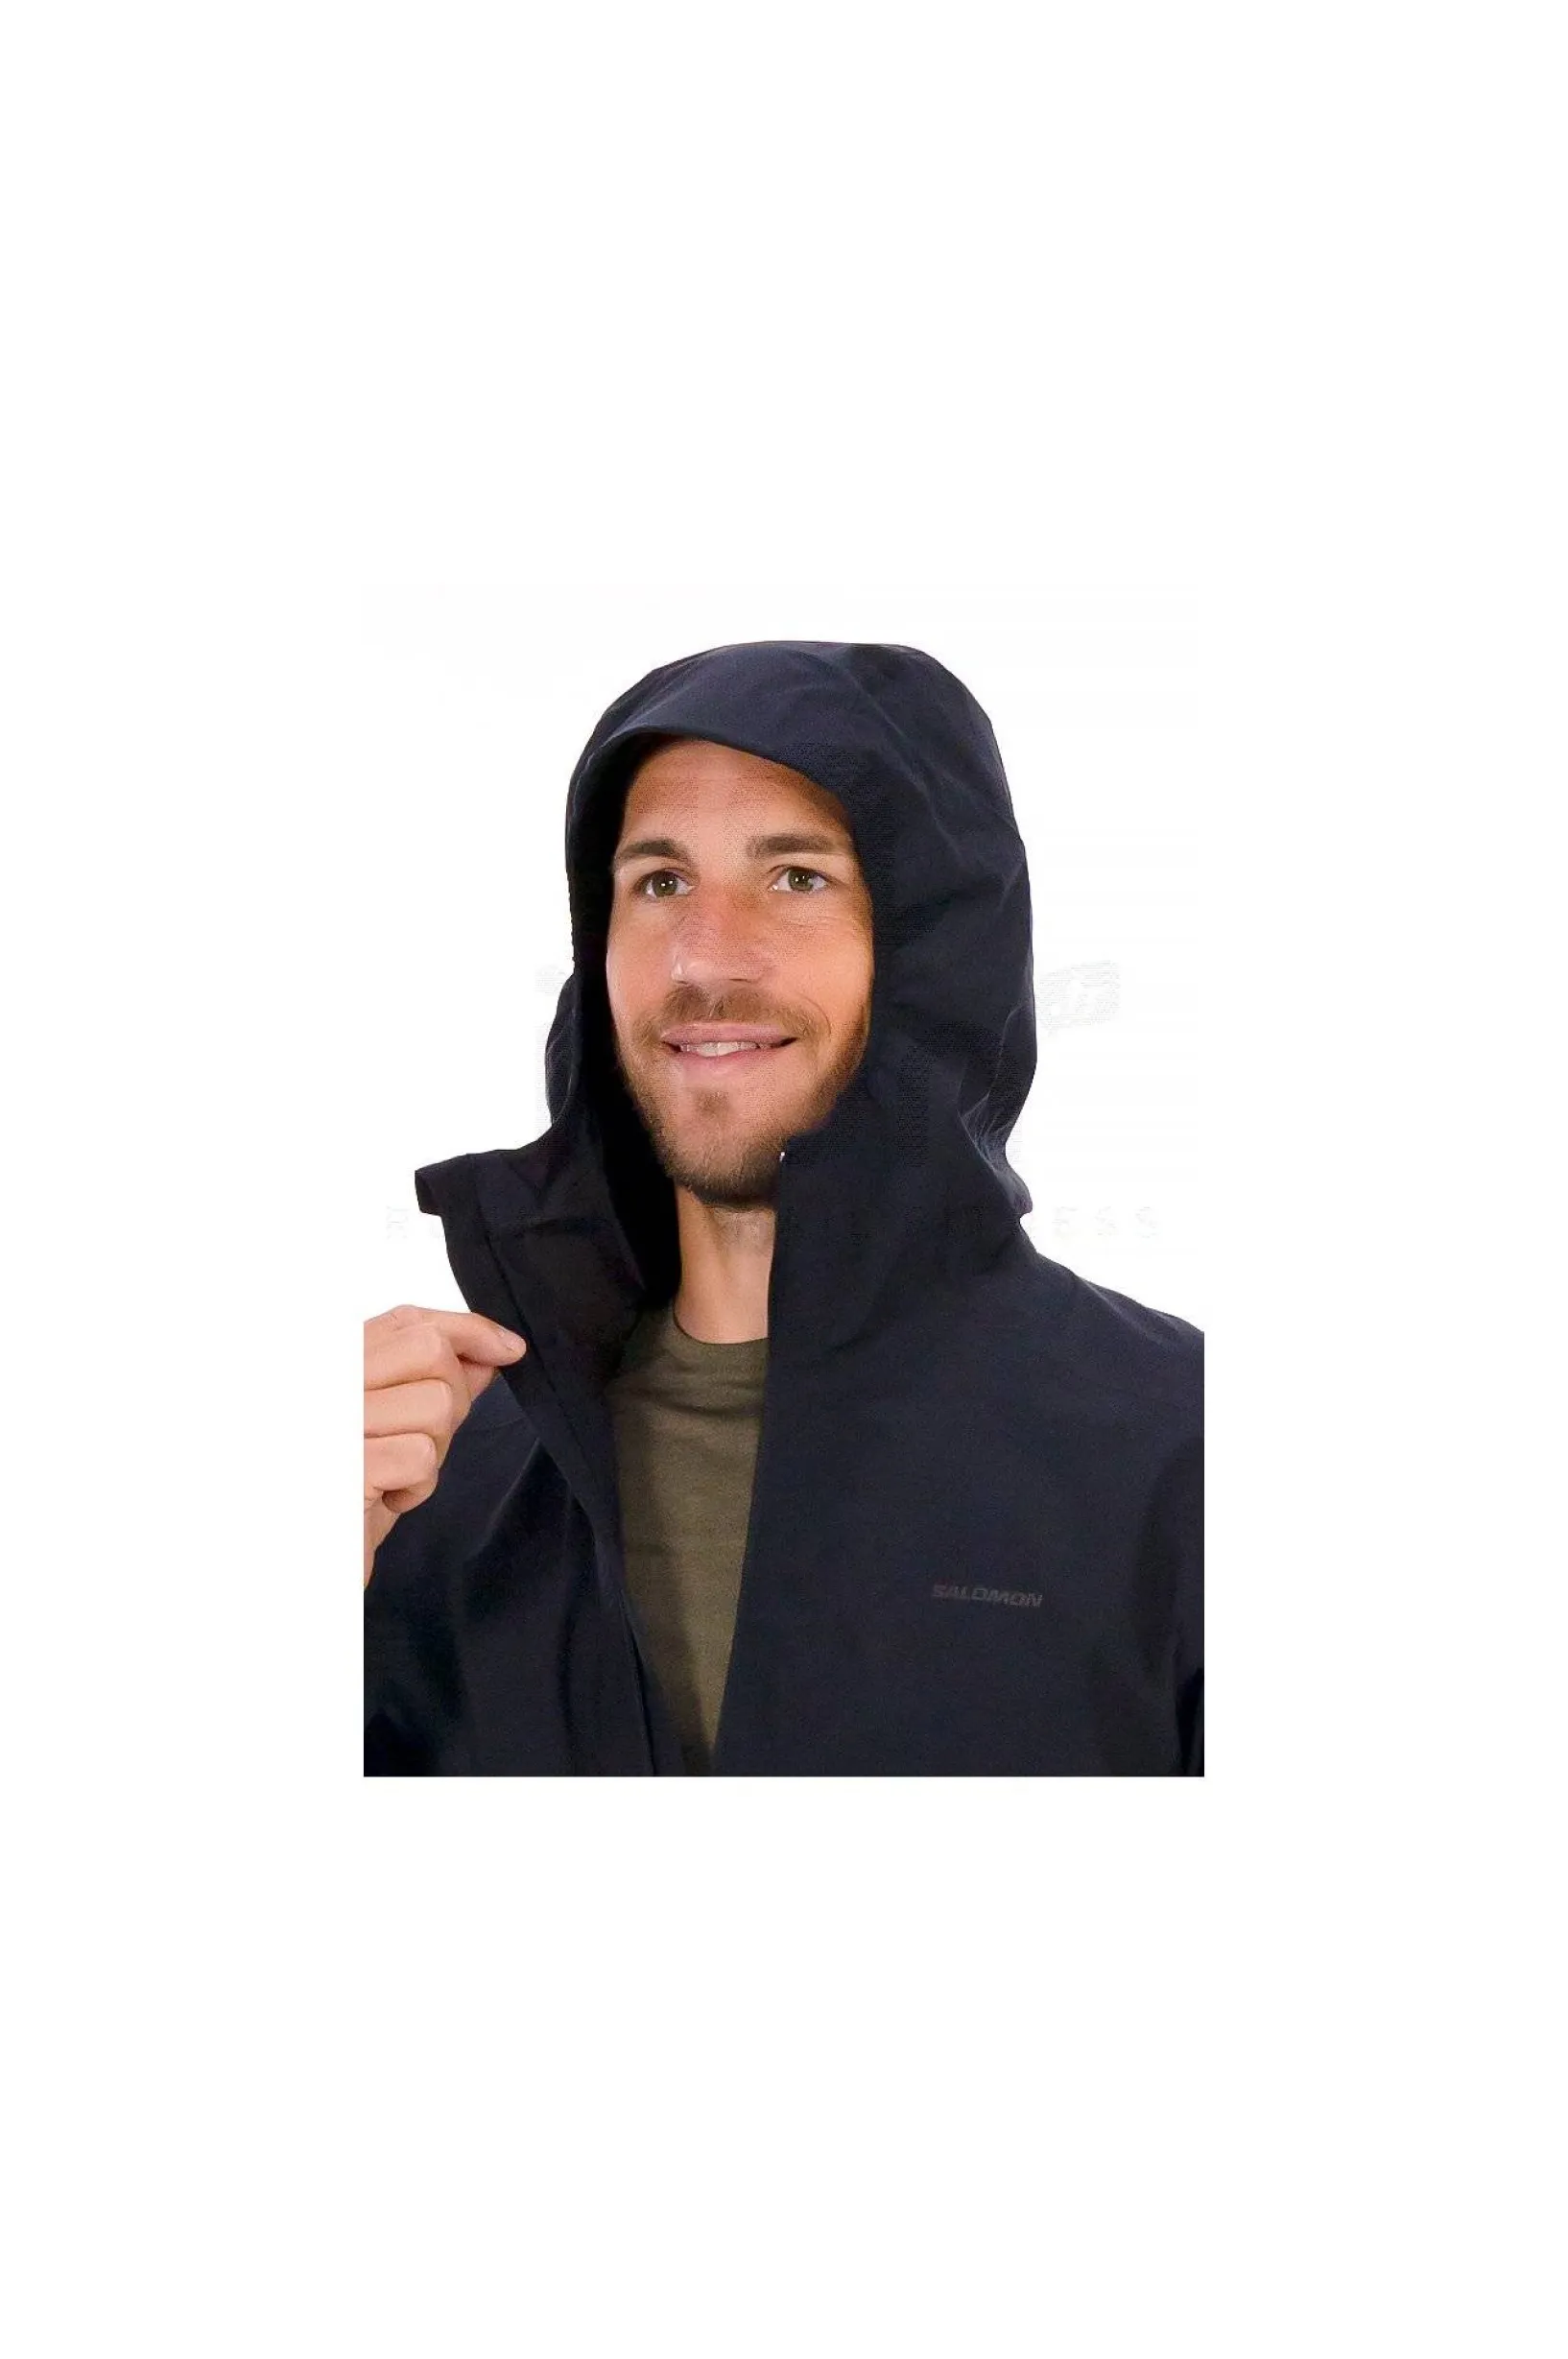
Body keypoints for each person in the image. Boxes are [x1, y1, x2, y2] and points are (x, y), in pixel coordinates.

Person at [364, 638, 1202, 1775]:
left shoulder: (1180, 1451)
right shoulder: (422, 1478)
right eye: (659, 883)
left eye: (796, 877)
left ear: (930, 948)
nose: (703, 959)